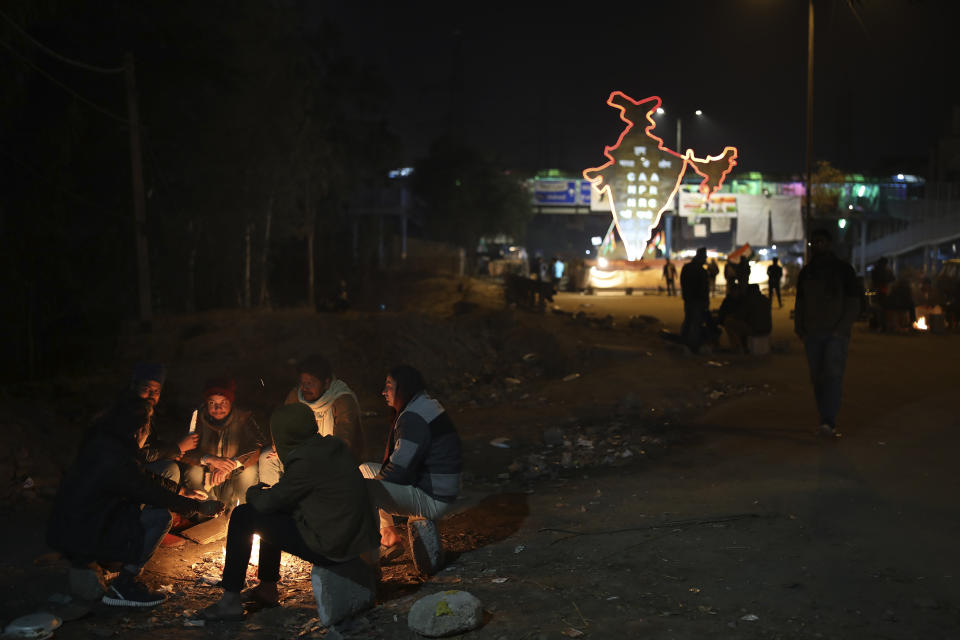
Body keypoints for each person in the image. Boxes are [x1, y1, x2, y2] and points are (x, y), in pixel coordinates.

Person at [199, 403, 378, 621]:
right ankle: (267, 588)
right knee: (273, 514)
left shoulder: (305, 461)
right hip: (355, 538)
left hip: (334, 546)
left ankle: (230, 601)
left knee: (243, 516)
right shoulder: (331, 446)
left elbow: (267, 503)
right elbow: (290, 495)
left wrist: (254, 492)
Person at [47, 396, 223, 608]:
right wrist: (197, 507)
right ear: (138, 431)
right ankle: (124, 585)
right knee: (160, 517)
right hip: (85, 534)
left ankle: (101, 565)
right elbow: (147, 491)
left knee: (139, 510)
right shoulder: (115, 458)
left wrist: (182, 490)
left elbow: (142, 479)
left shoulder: (103, 444)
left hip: (70, 529)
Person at [359, 365, 462, 575]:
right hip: (437, 484)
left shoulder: (413, 416)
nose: (383, 392)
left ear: (403, 389)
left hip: (433, 495)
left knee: (363, 490)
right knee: (365, 470)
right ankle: (388, 536)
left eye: (389, 387)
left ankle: (368, 565)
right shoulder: (424, 404)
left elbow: (398, 468)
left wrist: (375, 487)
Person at [795, 228, 862, 438]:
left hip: (835, 335)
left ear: (829, 244)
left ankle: (828, 421)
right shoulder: (807, 272)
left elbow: (854, 303)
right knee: (818, 378)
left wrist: (840, 330)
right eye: (815, 243)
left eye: (821, 242)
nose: (818, 246)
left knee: (832, 376)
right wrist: (801, 329)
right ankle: (825, 418)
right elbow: (800, 303)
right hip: (812, 334)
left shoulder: (843, 270)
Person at [260, 354, 364, 485]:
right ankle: (272, 503)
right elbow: (282, 427)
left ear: (326, 383)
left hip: (330, 458)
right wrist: (281, 448)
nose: (305, 388)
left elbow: (343, 443)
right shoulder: (296, 396)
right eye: (302, 383)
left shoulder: (342, 400)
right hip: (300, 454)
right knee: (267, 458)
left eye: (310, 383)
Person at [180, 377, 264, 511]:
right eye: (212, 403)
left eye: (223, 402)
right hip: (207, 472)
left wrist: (231, 464)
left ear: (231, 402)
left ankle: (243, 512)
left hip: (234, 472)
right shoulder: (197, 419)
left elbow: (257, 445)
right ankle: (207, 512)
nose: (218, 408)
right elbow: (184, 450)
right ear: (206, 403)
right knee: (192, 472)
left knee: (250, 472)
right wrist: (210, 459)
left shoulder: (243, 418)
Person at [129, 362, 198, 484]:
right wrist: (177, 448)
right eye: (146, 389)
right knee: (169, 470)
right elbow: (137, 454)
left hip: (132, 470)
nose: (151, 395)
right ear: (134, 387)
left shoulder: (150, 413)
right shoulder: (128, 413)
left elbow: (152, 444)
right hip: (121, 473)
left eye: (156, 391)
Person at [680, 247, 715, 353]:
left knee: (688, 320)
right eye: (705, 257)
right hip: (698, 300)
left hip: (689, 299)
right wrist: (706, 302)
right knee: (695, 322)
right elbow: (704, 288)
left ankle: (684, 342)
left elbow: (683, 283)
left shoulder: (687, 267)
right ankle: (692, 346)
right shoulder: (701, 271)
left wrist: (686, 296)